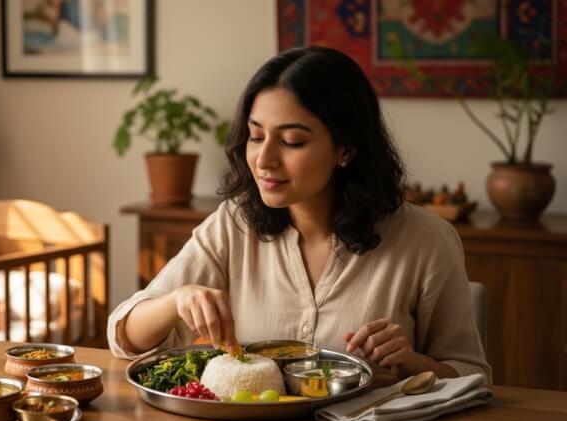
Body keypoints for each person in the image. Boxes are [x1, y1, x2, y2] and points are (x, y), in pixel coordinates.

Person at [107, 46, 491, 383]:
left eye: (292, 141)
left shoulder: (426, 240)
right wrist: (177, 299)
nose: (264, 159)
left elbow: (473, 375)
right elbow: (123, 337)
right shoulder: (233, 224)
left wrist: (413, 362)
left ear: (346, 149)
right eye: (256, 136)